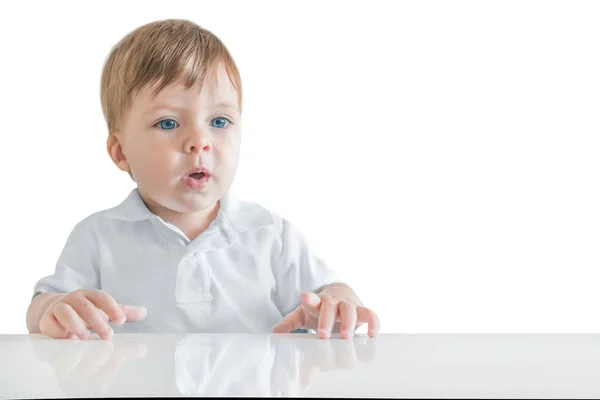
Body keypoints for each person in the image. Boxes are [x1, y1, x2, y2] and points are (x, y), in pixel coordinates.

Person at [25, 19, 380, 341]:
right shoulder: (98, 238)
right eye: (168, 123)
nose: (200, 141)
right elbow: (42, 307)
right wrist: (54, 311)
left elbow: (329, 292)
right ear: (120, 152)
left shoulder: (271, 236)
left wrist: (337, 305)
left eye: (220, 121)